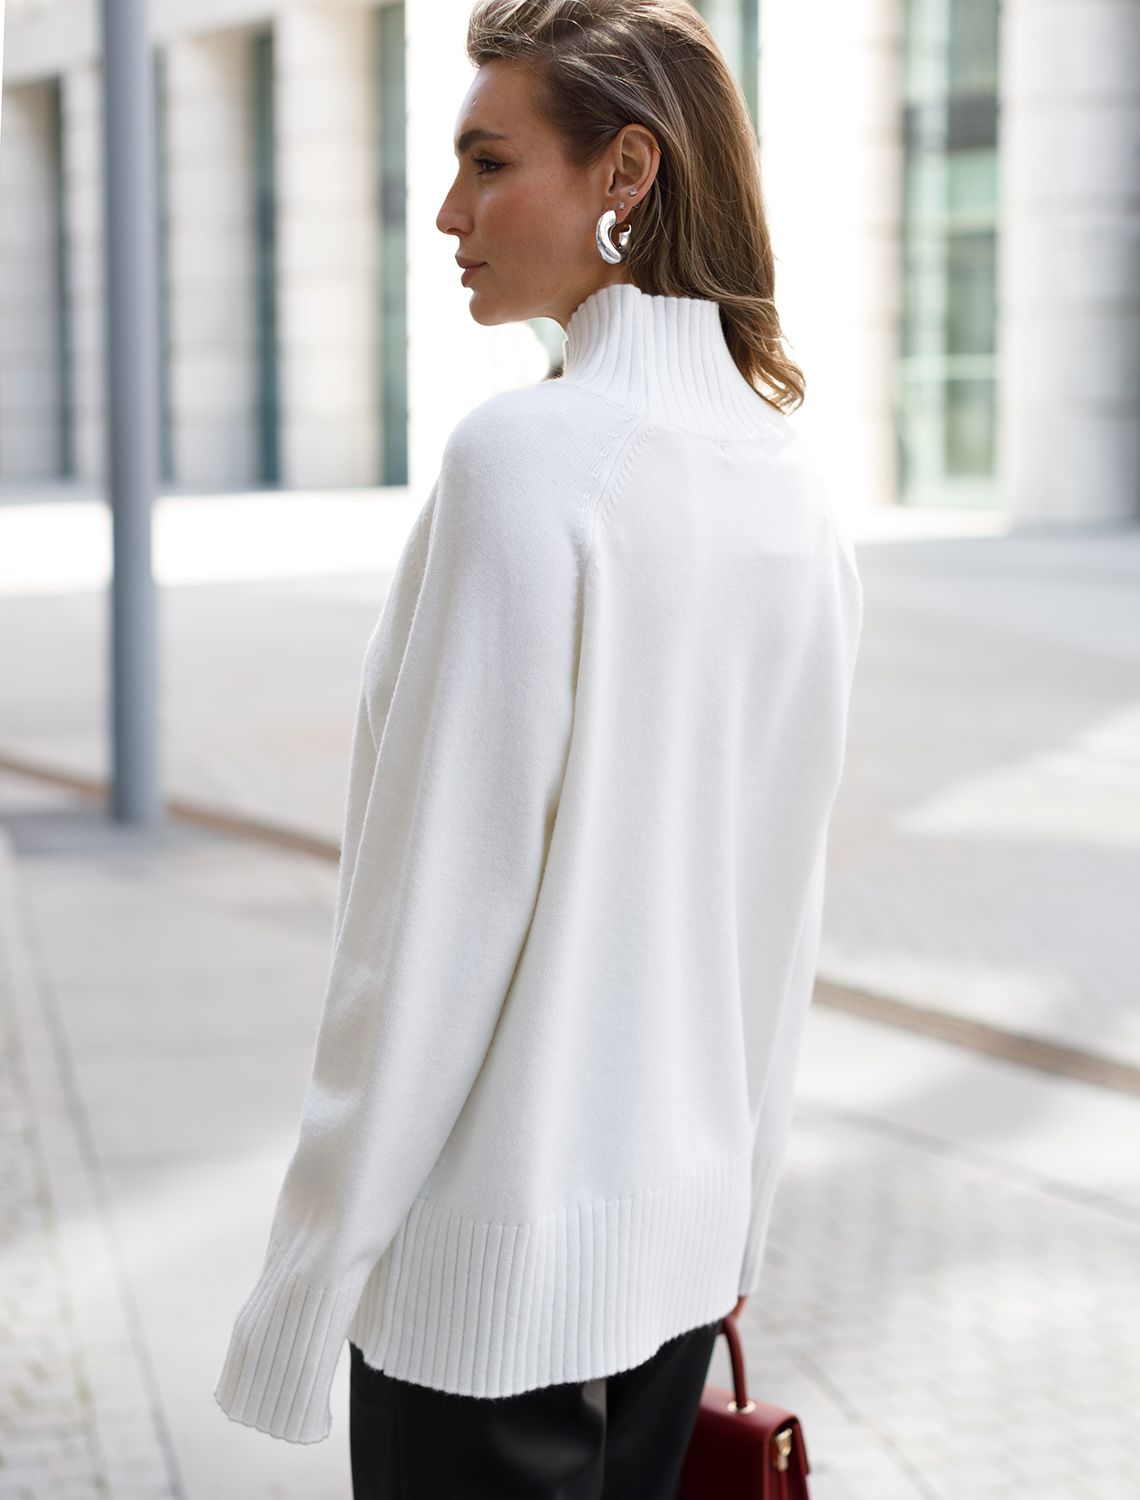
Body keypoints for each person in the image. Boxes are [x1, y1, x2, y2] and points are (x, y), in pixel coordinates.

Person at [214, 0, 863, 1494]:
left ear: (625, 172)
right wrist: (737, 1230)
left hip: (482, 1305)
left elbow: (428, 934)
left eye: (489, 162)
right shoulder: (794, 491)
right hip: (677, 1279)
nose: (449, 213)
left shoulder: (527, 464)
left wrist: (305, 1288)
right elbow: (780, 924)